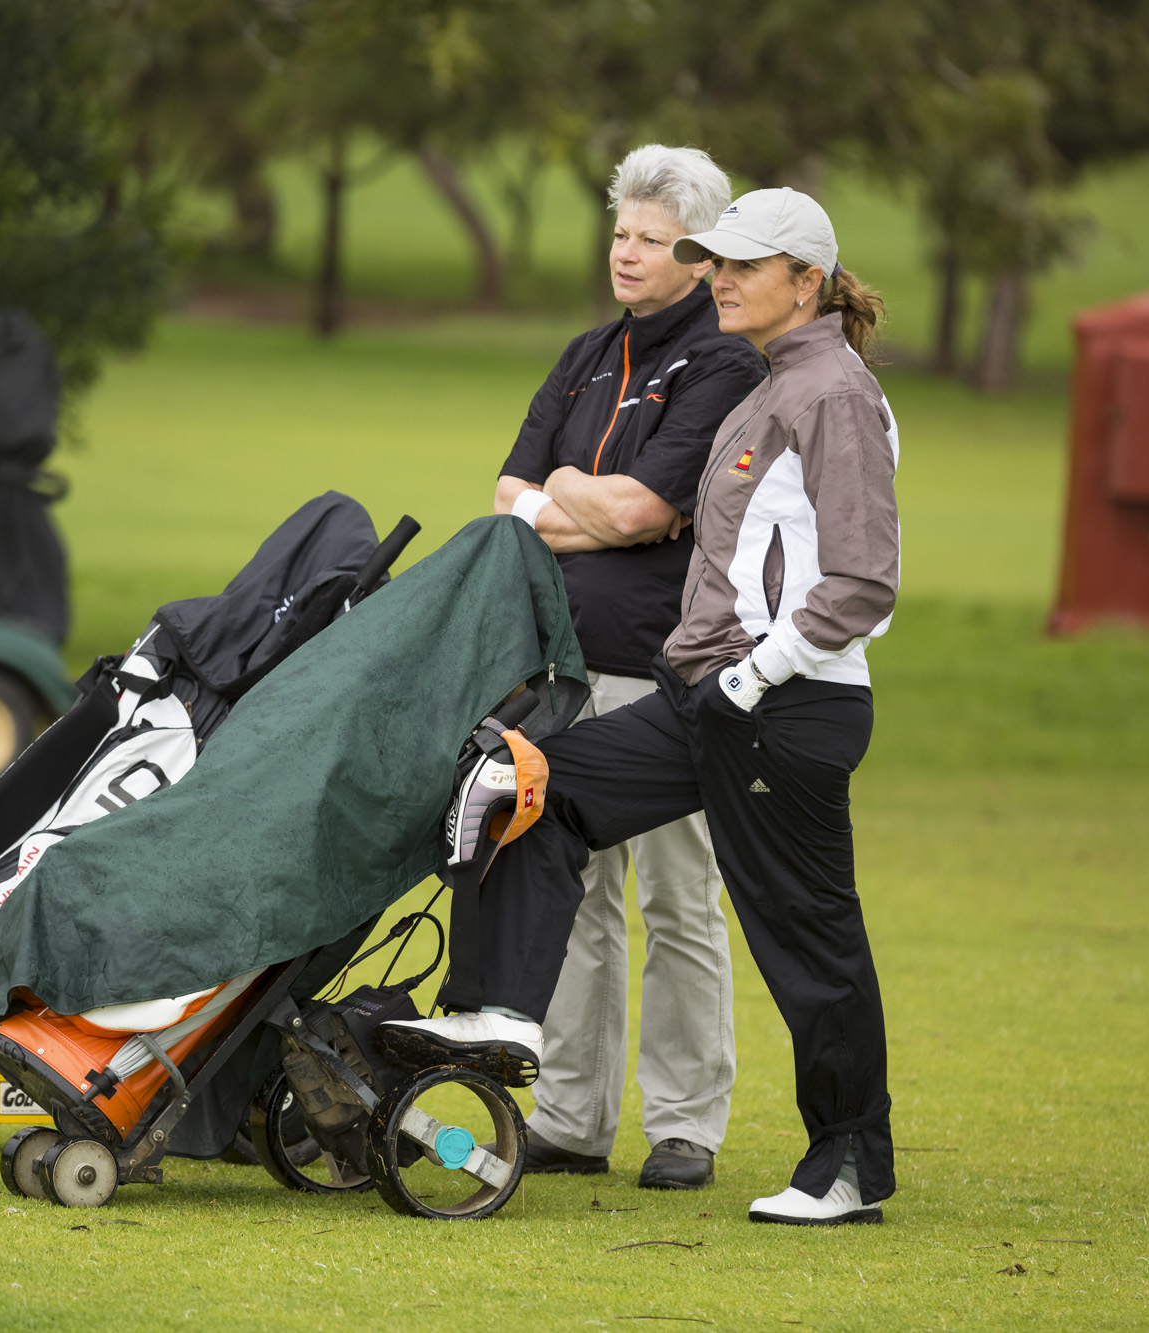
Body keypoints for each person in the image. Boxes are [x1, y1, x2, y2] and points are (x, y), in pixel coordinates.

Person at [385, 187, 902, 1226]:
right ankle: (505, 1015)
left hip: (782, 705)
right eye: (716, 261)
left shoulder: (832, 393)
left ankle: (846, 1165)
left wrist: (751, 678)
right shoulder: (772, 383)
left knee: (807, 937)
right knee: (534, 789)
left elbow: (861, 583)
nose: (720, 279)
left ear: (806, 281)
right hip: (706, 697)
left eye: (743, 266)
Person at [491, 145, 765, 1190]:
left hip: (667, 675)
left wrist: (572, 494)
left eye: (653, 239)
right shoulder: (584, 354)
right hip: (556, 667)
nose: (627, 253)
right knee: (573, 895)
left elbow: (648, 508)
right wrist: (587, 502)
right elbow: (506, 495)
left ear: (698, 256)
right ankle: (570, 1118)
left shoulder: (726, 365)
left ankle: (686, 1125)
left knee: (681, 899)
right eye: (620, 233)